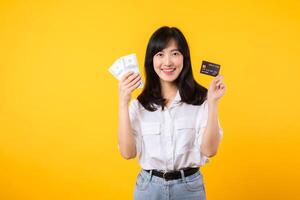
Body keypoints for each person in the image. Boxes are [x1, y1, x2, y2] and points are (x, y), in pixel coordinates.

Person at [117, 26, 226, 200]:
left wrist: (213, 103)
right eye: (160, 54)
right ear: (151, 60)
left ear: (185, 58)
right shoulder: (139, 105)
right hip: (148, 189)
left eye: (175, 53)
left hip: (189, 189)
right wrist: (123, 102)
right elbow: (127, 153)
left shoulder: (201, 99)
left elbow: (209, 150)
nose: (167, 62)